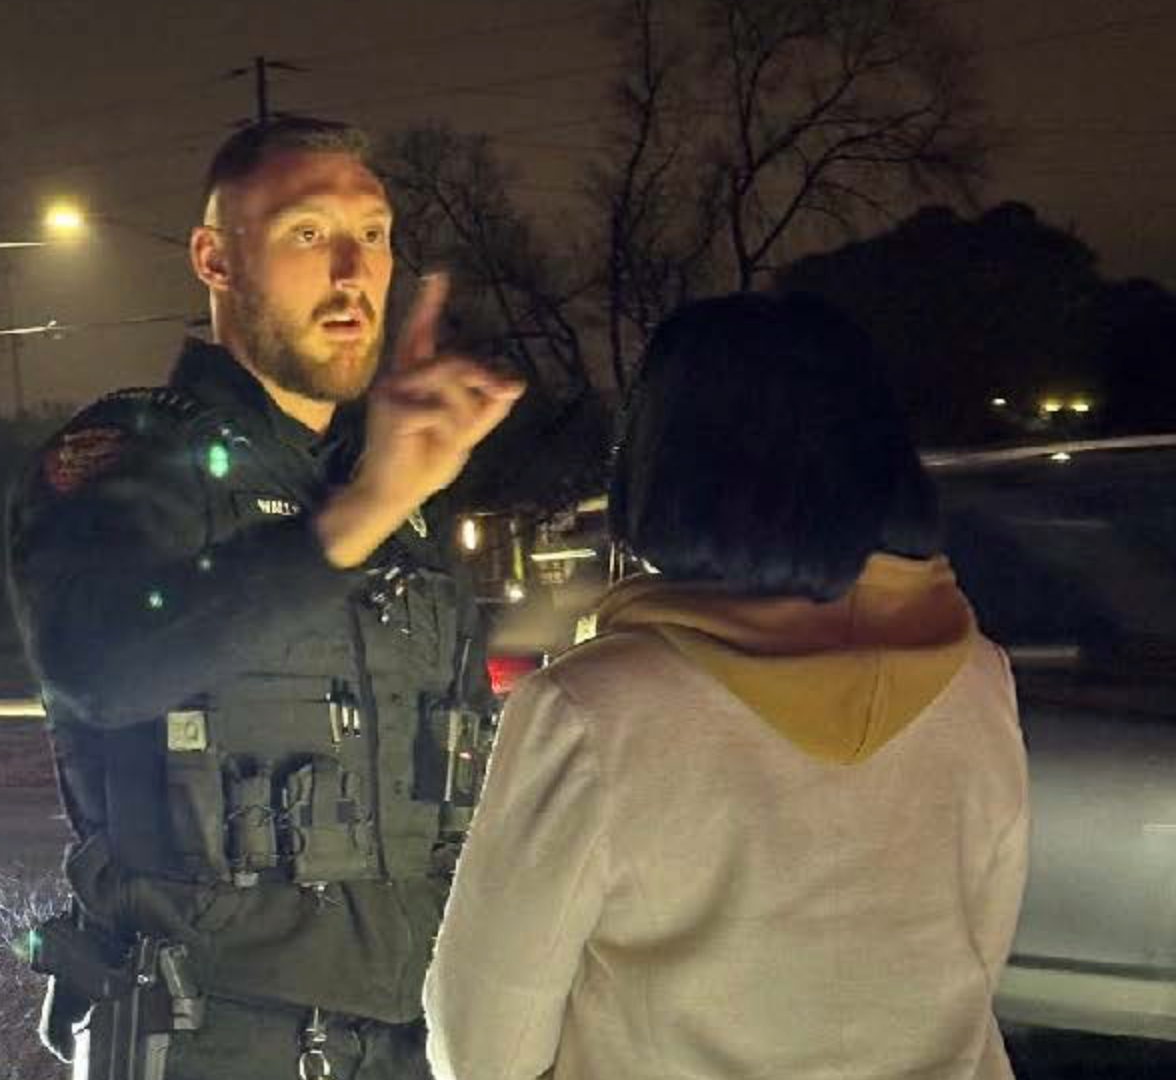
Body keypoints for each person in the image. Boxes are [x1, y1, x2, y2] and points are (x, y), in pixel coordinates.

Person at [7, 116, 524, 1080]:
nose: (351, 269)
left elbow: (460, 780)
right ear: (214, 258)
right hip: (210, 1038)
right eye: (305, 232)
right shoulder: (130, 458)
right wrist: (353, 521)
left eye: (372, 234)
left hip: (419, 1039)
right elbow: (96, 664)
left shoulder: (390, 492)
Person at [424, 293, 1029, 1080]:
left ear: (663, 461)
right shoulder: (976, 677)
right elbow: (981, 956)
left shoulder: (591, 714)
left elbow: (484, 1049)